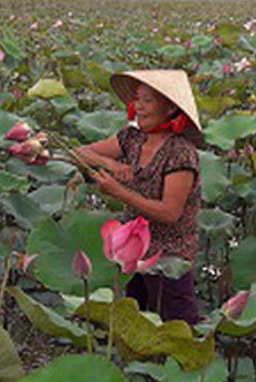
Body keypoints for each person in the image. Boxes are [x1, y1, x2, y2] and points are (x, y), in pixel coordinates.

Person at [74, 70, 202, 324]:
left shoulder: (181, 153)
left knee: (180, 332)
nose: (139, 108)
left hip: (170, 257)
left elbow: (170, 213)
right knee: (139, 327)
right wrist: (110, 164)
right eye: (137, 100)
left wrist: (119, 192)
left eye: (148, 101)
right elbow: (79, 152)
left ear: (170, 109)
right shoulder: (132, 138)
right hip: (133, 250)